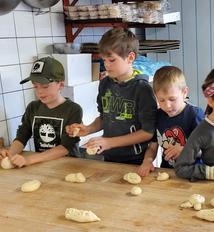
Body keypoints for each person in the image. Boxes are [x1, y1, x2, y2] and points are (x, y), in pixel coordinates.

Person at [66, 27, 156, 165]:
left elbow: (147, 132)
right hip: (109, 156)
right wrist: (88, 129)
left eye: (112, 60)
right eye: (104, 59)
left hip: (136, 159)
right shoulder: (105, 84)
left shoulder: (142, 89)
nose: (106, 64)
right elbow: (104, 117)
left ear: (130, 57)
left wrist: (111, 142)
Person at [0, 57, 83, 167]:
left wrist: (29, 160)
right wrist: (11, 153)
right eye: (35, 86)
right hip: (42, 165)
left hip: (69, 166)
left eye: (45, 86)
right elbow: (22, 135)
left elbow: (66, 148)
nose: (39, 91)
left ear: (61, 85)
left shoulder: (73, 110)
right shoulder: (33, 107)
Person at [136, 66, 205, 177]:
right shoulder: (157, 116)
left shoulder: (195, 115)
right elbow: (153, 147)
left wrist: (185, 150)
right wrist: (147, 160)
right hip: (168, 172)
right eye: (161, 100)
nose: (167, 105)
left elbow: (208, 152)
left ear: (184, 92)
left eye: (172, 99)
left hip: (194, 173)